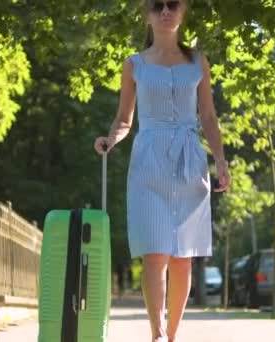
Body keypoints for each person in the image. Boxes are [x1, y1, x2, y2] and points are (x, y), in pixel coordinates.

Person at [93, 0, 231, 341]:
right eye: (158, 6)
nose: (165, 11)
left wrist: (221, 160)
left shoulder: (198, 62)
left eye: (173, 5)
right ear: (148, 14)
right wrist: (110, 139)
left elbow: (209, 117)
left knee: (183, 256)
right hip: (148, 163)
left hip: (189, 160)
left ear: (183, 12)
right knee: (155, 253)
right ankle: (156, 335)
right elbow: (125, 119)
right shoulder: (134, 65)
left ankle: (172, 335)